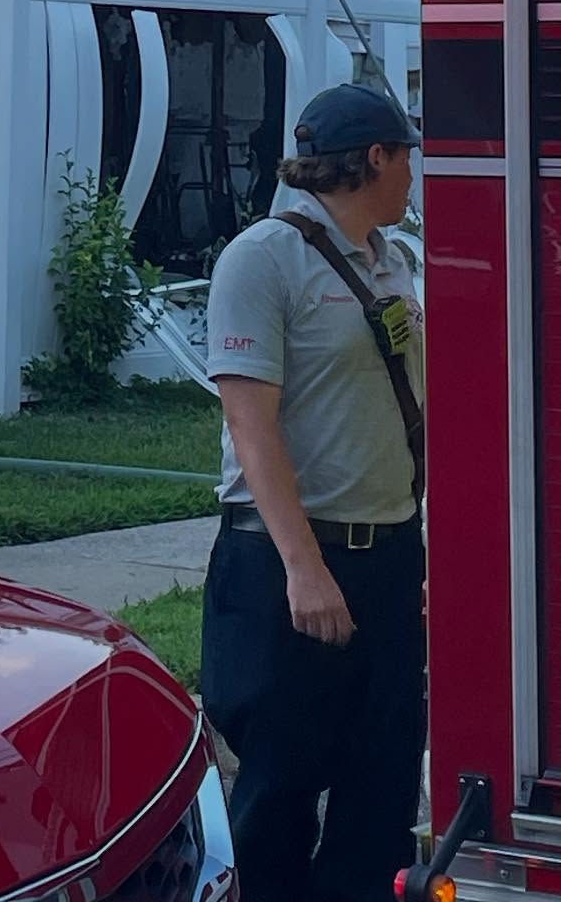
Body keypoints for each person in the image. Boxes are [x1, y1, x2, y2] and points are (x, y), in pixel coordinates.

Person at [200, 82, 425, 902]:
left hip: (388, 553)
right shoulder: (261, 257)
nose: (414, 176)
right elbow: (252, 428)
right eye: (408, 157)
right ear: (375, 158)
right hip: (287, 560)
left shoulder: (394, 262)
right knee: (281, 785)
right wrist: (304, 568)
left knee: (383, 777)